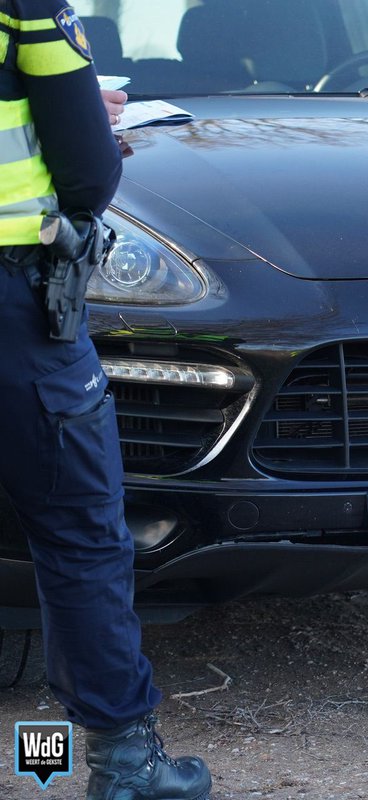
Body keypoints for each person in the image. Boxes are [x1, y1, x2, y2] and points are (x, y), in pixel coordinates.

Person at [0, 4, 211, 799]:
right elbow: (88, 174)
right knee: (77, 532)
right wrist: (86, 111)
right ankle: (127, 765)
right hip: (16, 306)